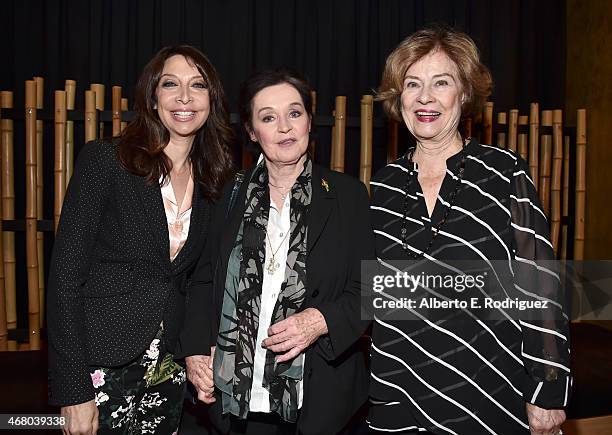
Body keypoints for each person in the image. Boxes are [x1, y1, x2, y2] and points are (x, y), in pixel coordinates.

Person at [368, 27, 571, 435]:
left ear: (463, 94)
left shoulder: (503, 172)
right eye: (412, 84)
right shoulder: (381, 186)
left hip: (486, 386)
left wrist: (547, 387)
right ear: (399, 98)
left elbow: (540, 282)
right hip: (397, 386)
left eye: (441, 83)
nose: (425, 97)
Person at [47, 45, 234, 434]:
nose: (184, 97)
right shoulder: (106, 160)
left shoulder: (215, 179)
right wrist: (72, 390)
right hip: (100, 362)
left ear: (211, 100)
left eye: (198, 85)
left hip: (168, 365)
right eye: (171, 84)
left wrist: (197, 347)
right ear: (152, 96)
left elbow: (199, 279)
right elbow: (65, 279)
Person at [179, 69, 374, 435]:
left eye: (294, 113)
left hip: (318, 401)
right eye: (268, 117)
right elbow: (201, 280)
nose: (284, 127)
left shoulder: (348, 195)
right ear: (252, 132)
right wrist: (194, 352)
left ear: (310, 122)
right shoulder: (226, 194)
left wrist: (320, 321)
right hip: (233, 397)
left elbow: (369, 290)